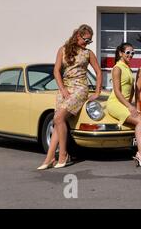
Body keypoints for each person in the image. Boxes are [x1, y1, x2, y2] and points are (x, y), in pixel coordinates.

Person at [37, 24, 102, 170]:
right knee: (58, 121)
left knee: (58, 118)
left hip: (80, 88)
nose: (88, 43)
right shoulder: (63, 50)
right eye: (86, 39)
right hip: (64, 89)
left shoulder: (88, 53)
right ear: (78, 36)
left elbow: (98, 72)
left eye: (90, 41)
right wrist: (63, 90)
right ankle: (49, 158)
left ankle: (63, 154)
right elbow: (56, 72)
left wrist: (97, 92)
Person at [107, 43, 141, 169]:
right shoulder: (117, 68)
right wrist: (129, 106)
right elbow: (117, 91)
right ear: (121, 53)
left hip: (125, 103)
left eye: (132, 53)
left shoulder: (128, 67)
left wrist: (133, 104)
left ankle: (140, 152)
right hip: (115, 103)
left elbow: (131, 89)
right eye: (127, 52)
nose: (130, 55)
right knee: (140, 121)